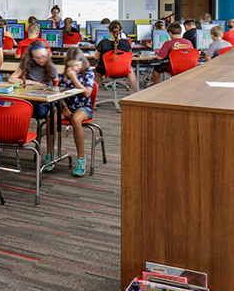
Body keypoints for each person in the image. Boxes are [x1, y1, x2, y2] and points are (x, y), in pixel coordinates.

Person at [8, 40, 60, 168]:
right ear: (32, 57)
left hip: (44, 104)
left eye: (43, 57)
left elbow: (57, 86)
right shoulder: (28, 65)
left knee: (46, 115)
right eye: (37, 58)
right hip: (30, 102)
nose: (40, 60)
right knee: (14, 111)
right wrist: (31, 82)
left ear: (47, 54)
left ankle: (50, 153)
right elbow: (11, 79)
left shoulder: (51, 67)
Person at [59, 47, 95, 177]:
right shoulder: (64, 75)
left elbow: (87, 93)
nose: (73, 69)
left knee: (75, 120)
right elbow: (60, 93)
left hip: (83, 107)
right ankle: (51, 155)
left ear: (83, 62)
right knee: (50, 118)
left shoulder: (88, 73)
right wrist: (64, 107)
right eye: (70, 66)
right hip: (67, 106)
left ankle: (81, 158)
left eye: (76, 65)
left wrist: (74, 78)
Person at [94, 20, 138, 95]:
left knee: (98, 68)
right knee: (131, 69)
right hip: (124, 70)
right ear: (121, 30)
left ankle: (93, 91)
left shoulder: (103, 42)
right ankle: (135, 92)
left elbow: (96, 57)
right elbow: (129, 57)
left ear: (109, 31)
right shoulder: (127, 42)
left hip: (106, 70)